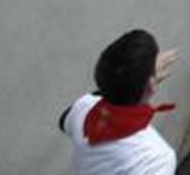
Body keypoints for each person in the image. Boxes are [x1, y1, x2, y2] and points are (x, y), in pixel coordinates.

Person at [60, 30, 179, 175]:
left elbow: (65, 122)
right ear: (151, 84)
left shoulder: (85, 107)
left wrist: (143, 79)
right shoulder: (158, 160)